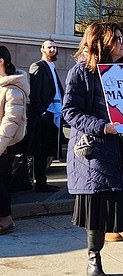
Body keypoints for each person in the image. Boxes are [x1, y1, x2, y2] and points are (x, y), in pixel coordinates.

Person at [63, 22, 123, 276]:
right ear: (100, 42)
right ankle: (94, 259)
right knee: (98, 208)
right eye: (116, 39)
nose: (122, 43)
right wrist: (103, 127)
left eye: (122, 38)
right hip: (99, 151)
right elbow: (70, 112)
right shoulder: (81, 72)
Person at [26, 39, 64, 192]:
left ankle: (42, 182)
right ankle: (40, 183)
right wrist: (41, 111)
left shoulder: (52, 67)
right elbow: (35, 92)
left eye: (55, 47)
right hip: (44, 114)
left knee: (48, 149)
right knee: (40, 151)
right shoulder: (38, 66)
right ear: (42, 49)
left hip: (54, 113)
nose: (53, 50)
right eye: (49, 47)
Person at [0, 46, 29, 235]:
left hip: (3, 145)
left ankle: (6, 220)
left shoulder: (13, 89)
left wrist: (0, 145)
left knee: (0, 184)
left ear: (1, 61)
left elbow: (11, 121)